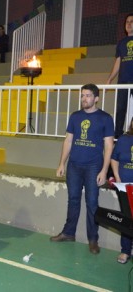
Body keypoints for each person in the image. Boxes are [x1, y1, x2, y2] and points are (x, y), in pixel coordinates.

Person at [50, 83, 114, 254]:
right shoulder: (75, 116)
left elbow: (108, 146)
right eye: (82, 95)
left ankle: (93, 239)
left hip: (94, 166)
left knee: (92, 203)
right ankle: (68, 233)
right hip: (74, 165)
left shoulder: (106, 118)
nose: (84, 99)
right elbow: (68, 141)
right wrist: (61, 163)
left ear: (96, 98)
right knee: (73, 200)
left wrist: (104, 170)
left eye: (88, 95)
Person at [106, 13, 133, 138]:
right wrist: (110, 79)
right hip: (123, 81)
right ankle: (117, 135)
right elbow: (118, 61)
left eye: (132, 21)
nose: (128, 24)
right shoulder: (121, 43)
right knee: (121, 109)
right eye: (127, 21)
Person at [111, 117, 133, 264]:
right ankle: (125, 251)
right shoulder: (124, 139)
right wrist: (117, 177)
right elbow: (114, 158)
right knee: (127, 219)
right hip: (125, 187)